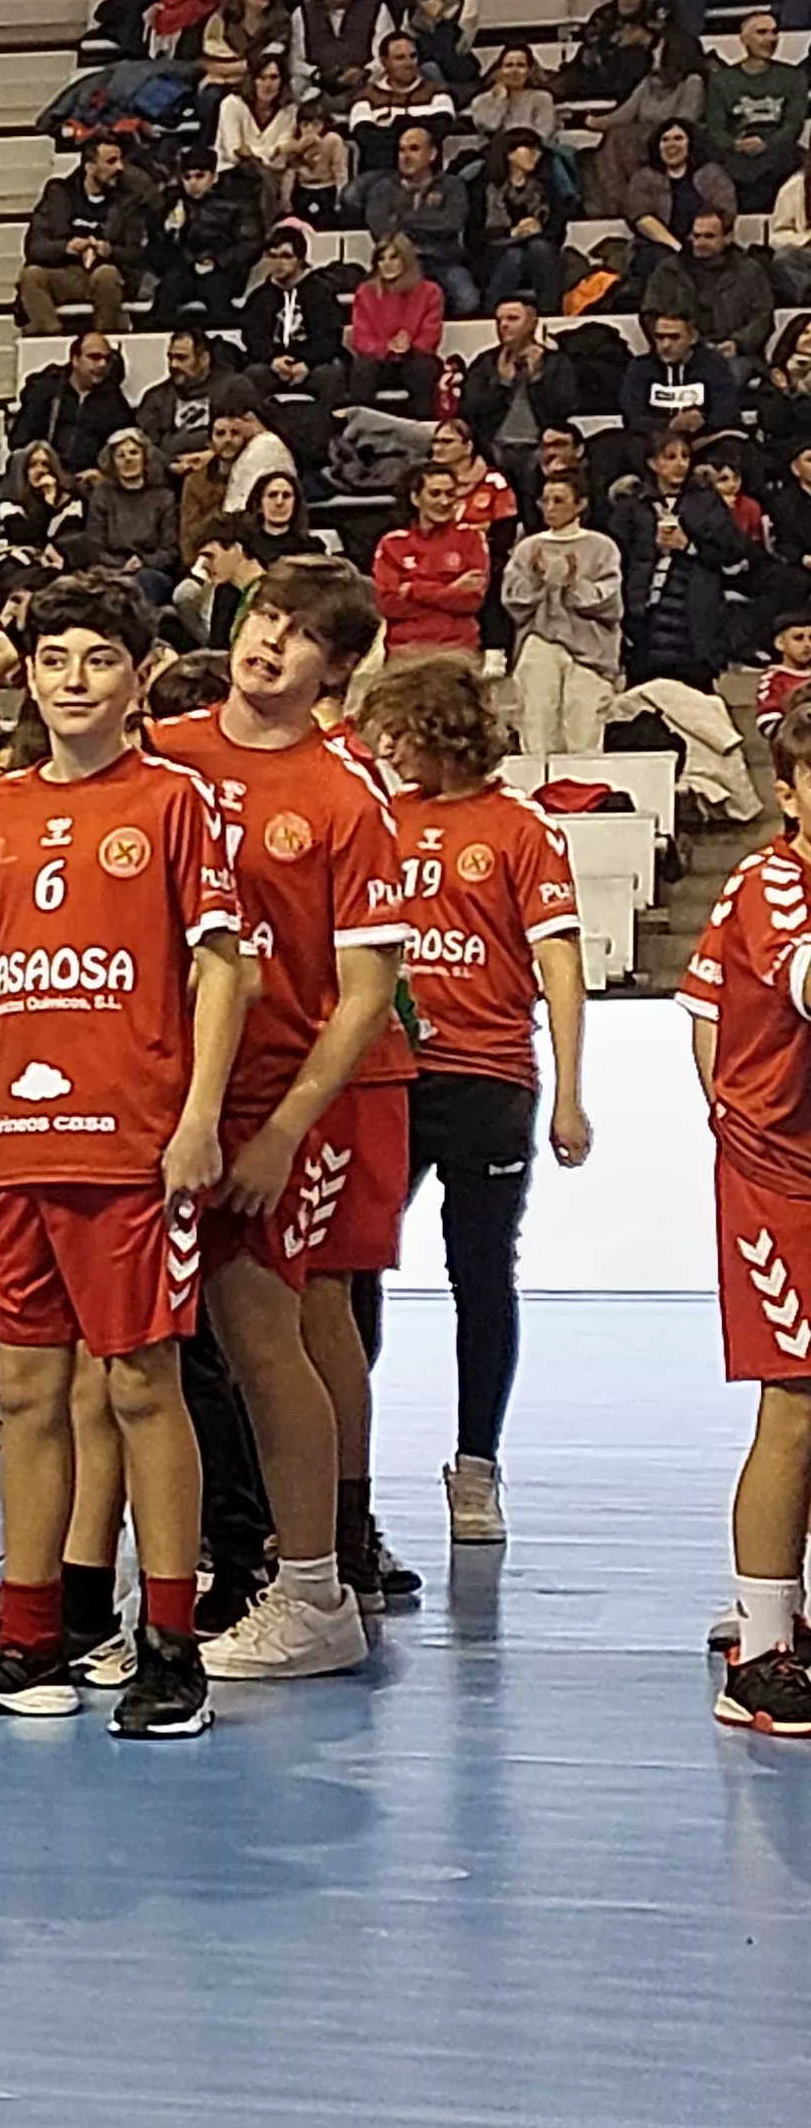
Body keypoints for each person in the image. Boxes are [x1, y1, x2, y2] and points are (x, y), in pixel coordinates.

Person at [0, 579, 251, 1732]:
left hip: (130, 1146)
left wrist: (197, 1118)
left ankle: (170, 1643)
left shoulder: (174, 800)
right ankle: (31, 1632)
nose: (76, 679)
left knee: (143, 1386)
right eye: (56, 660)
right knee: (27, 1390)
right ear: (29, 677)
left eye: (101, 658)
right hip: (16, 1149)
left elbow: (224, 968)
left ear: (137, 677)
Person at [152, 561, 409, 1683]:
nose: (268, 643)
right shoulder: (160, 751)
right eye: (262, 617)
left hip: (274, 1094)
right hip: (155, 1089)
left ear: (336, 670)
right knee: (146, 1350)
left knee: (269, 1330)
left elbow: (364, 997)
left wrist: (281, 1130)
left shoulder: (344, 795)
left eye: (299, 636)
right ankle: (160, 1577)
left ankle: (314, 1583)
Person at [363, 652, 589, 1553]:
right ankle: (343, 1472)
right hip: (386, 1074)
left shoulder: (520, 829)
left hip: (489, 1075)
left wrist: (571, 1092)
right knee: (352, 1269)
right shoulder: (382, 821)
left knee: (481, 1272)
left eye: (400, 731)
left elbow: (561, 966)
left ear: (440, 730)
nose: (387, 747)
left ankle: (476, 1466)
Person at [690, 708, 811, 1733]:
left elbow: (698, 1010)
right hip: (784, 1181)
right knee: (796, 1401)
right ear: (790, 791)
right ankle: (762, 1652)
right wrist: (741, 1135)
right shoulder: (771, 884)